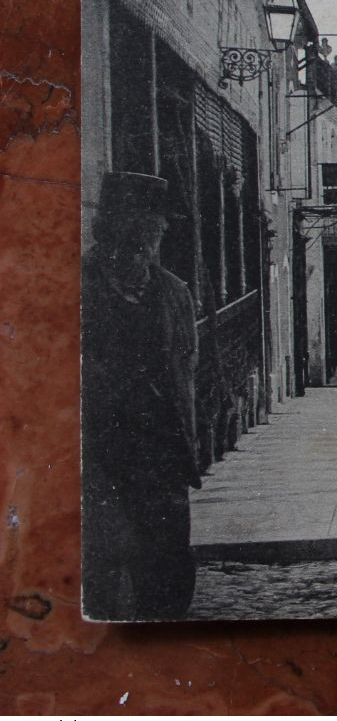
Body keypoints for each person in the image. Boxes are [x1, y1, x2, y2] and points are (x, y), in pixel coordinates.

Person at [81, 171, 202, 621]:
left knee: (169, 578)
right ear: (109, 227)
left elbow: (186, 373)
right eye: (138, 229)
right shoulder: (78, 291)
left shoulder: (174, 295)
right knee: (104, 581)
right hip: (100, 464)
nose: (147, 242)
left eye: (154, 232)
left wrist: (190, 442)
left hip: (164, 460)